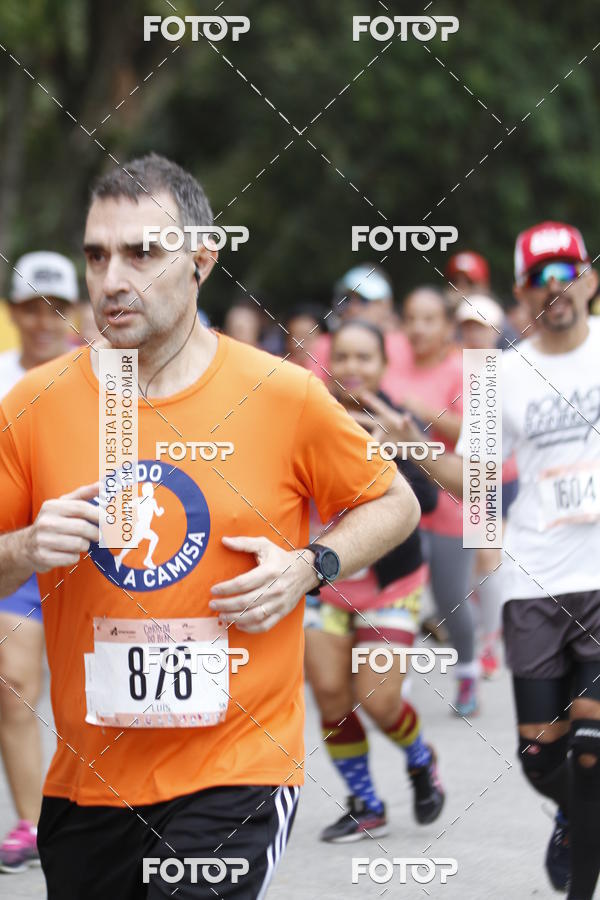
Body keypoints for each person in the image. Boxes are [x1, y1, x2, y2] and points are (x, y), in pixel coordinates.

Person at [0, 153, 421, 900]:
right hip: (88, 786)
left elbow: (394, 503)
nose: (112, 278)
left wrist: (309, 565)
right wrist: (27, 547)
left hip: (238, 771)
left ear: (202, 256)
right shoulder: (33, 407)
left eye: (142, 252)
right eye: (97, 255)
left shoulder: (281, 394)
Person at [403, 221, 600, 900]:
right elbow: (475, 478)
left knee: (591, 743)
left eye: (567, 272)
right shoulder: (500, 378)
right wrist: (413, 442)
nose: (557, 288)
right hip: (534, 580)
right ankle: (574, 818)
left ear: (590, 279)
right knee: (541, 759)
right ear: (521, 294)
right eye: (541, 278)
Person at [304, 320, 445, 841]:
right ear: (329, 363)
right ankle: (365, 802)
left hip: (392, 586)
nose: (353, 368)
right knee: (331, 693)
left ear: (385, 366)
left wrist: (394, 453)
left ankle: (420, 758)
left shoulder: (397, 419)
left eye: (365, 358)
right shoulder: (312, 414)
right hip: (328, 582)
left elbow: (426, 505)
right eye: (342, 357)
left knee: (379, 700)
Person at [0, 251, 79, 872]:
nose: (42, 320)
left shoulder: (106, 379)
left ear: (73, 311)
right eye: (30, 307)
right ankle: (31, 823)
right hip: (21, 555)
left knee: (101, 696)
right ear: (14, 312)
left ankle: (114, 809)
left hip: (96, 562)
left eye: (55, 307)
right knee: (14, 687)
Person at [397, 285, 478, 715]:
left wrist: (424, 413)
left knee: (450, 599)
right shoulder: (390, 360)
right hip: (399, 503)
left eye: (429, 319)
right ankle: (395, 687)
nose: (419, 328)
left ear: (447, 326)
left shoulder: (465, 369)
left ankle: (467, 674)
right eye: (411, 318)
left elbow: (478, 435)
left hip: (449, 501)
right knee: (399, 598)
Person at [455, 294, 517, 679]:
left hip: (500, 476)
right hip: (457, 478)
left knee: (488, 556)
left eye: (480, 326)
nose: (474, 334)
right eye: (467, 326)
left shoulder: (507, 368)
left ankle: (491, 640)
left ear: (496, 330)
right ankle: (485, 627)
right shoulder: (451, 368)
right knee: (478, 561)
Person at [305, 264, 412, 400]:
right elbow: (312, 394)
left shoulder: (405, 345)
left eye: (363, 300)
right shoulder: (324, 344)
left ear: (386, 304)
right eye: (347, 299)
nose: (353, 308)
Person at [284, 302, 327, 369]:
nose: (299, 345)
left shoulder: (334, 370)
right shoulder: (284, 367)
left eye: (307, 338)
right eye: (294, 338)